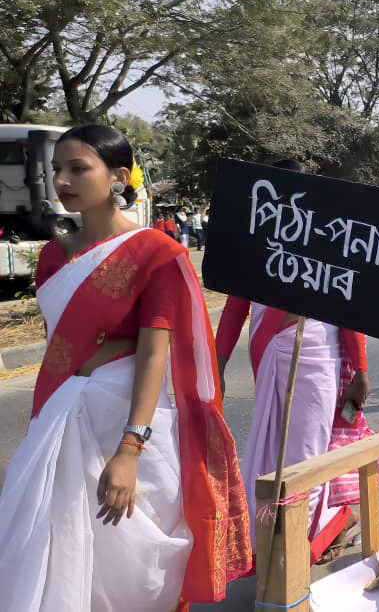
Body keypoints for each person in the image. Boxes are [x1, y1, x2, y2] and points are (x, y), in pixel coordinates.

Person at [0, 124, 251, 611]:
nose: (62, 181)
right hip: (62, 418)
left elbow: (154, 354)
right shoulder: (53, 256)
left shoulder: (157, 253)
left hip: (128, 421)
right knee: (52, 550)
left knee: (134, 571)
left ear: (117, 176)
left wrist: (130, 451)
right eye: (57, 169)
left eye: (78, 168)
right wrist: (40, 425)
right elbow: (58, 349)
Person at [215, 158, 373, 565]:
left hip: (317, 355)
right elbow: (234, 309)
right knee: (273, 452)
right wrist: (217, 363)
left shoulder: (327, 238)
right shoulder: (255, 240)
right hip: (267, 354)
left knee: (307, 453)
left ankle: (306, 543)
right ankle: (278, 538)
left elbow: (348, 308)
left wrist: (360, 371)